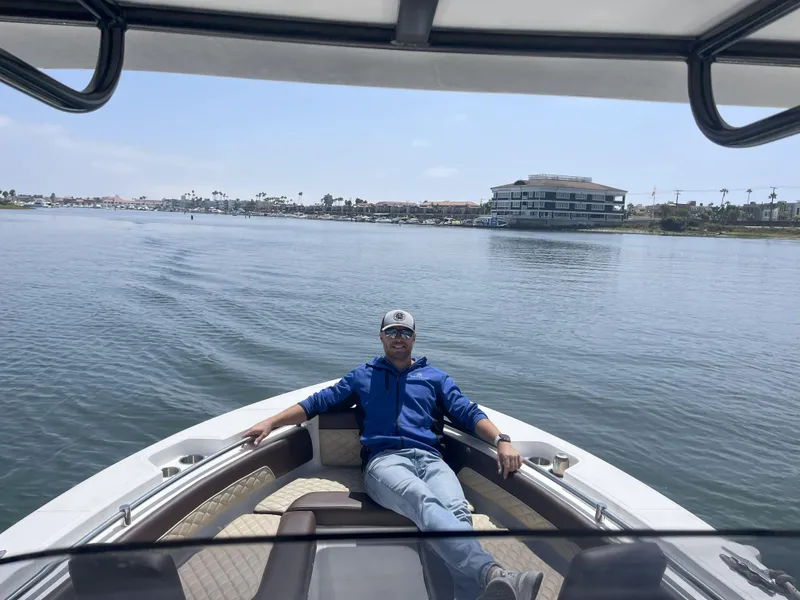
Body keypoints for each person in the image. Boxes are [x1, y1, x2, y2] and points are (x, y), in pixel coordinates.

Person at [243, 310, 543, 600]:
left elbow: (467, 411)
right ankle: (493, 573)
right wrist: (270, 422)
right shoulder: (363, 376)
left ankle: (477, 593)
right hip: (384, 462)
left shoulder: (435, 378)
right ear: (381, 337)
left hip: (430, 459)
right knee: (421, 499)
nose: (398, 337)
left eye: (405, 332)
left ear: (414, 338)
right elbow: (317, 402)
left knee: (457, 512)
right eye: (392, 332)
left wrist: (502, 440)